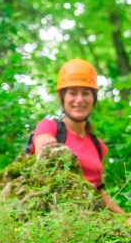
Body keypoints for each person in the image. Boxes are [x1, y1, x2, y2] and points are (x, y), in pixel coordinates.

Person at [30, 58, 124, 214]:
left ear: (93, 99)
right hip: (54, 217)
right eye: (73, 93)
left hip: (91, 218)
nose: (79, 100)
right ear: (63, 98)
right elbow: (41, 140)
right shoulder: (50, 127)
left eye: (86, 93)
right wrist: (45, 143)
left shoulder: (98, 145)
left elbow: (98, 192)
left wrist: (129, 218)